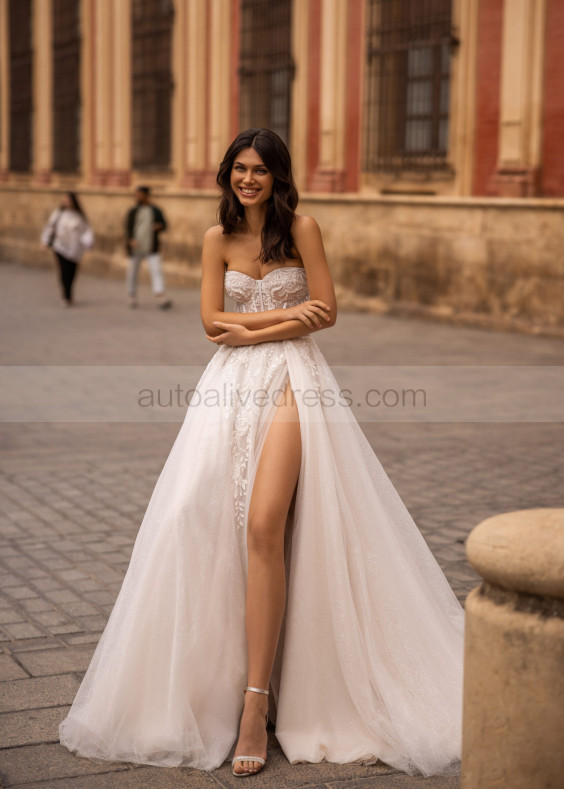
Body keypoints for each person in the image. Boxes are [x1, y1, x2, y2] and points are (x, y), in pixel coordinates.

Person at [59, 129, 465, 780]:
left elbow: (325, 312)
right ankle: (232, 679)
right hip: (227, 387)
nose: (249, 179)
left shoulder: (303, 228)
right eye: (240, 169)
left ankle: (256, 704)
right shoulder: (214, 239)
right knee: (195, 514)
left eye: (261, 170)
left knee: (265, 521)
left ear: (278, 176)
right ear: (228, 175)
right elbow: (208, 324)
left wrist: (264, 327)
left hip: (295, 380)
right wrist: (283, 319)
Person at [40, 192, 94, 307]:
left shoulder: (79, 216)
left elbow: (86, 231)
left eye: (68, 199)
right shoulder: (58, 214)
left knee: (72, 272)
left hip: (75, 249)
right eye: (64, 199)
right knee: (64, 271)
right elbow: (50, 227)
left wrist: (88, 242)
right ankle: (66, 296)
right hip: (60, 247)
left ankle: (69, 293)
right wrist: (45, 241)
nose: (65, 202)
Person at [125, 186, 173, 310]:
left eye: (140, 194)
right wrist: (131, 240)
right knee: (132, 272)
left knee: (156, 271)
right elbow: (128, 228)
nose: (138, 197)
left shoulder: (155, 210)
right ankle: (132, 295)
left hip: (152, 247)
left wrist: (159, 226)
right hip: (136, 247)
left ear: (146, 195)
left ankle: (160, 297)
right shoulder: (133, 211)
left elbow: (164, 225)